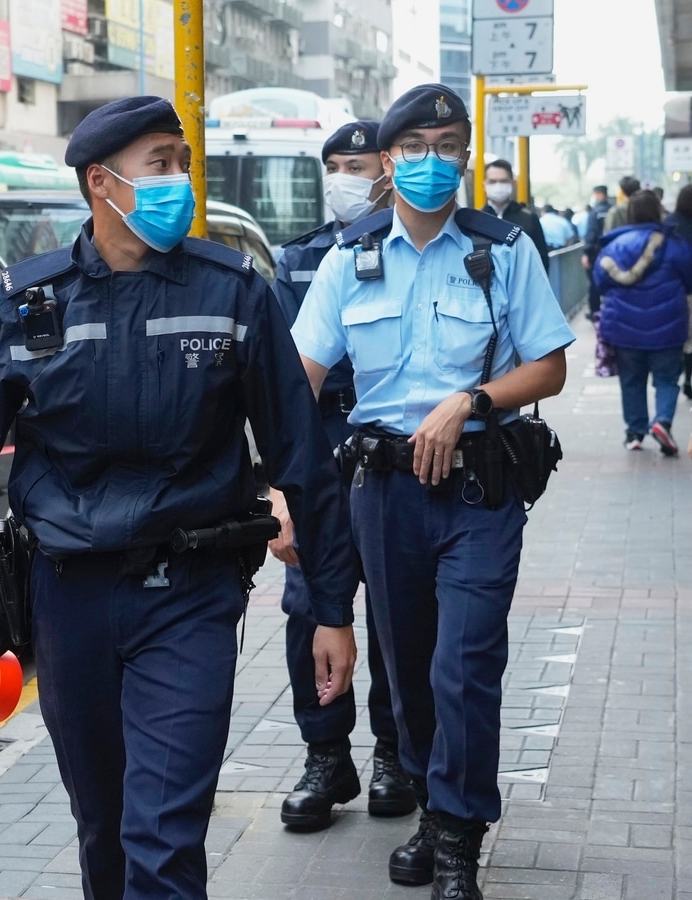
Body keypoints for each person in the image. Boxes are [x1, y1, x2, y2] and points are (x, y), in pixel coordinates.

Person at [0, 96, 361, 899]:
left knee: (164, 839)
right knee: (103, 830)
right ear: (103, 184)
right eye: (161, 165)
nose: (181, 181)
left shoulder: (233, 292)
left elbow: (303, 461)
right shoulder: (29, 305)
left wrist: (333, 609)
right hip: (69, 601)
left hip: (191, 597)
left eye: (183, 163)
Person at [292, 84, 574, 900]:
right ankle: (427, 799)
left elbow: (550, 365)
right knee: (408, 671)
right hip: (381, 494)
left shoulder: (502, 249)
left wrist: (473, 400)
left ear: (463, 155)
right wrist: (280, 489)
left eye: (448, 145)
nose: (432, 161)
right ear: (388, 162)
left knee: (465, 665)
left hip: (479, 490)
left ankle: (457, 835)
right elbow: (295, 384)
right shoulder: (351, 259)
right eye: (414, 148)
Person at [269, 120, 413, 832]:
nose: (345, 179)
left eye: (356, 164)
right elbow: (276, 374)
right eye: (334, 166)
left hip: (391, 449)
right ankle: (326, 753)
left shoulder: (414, 245)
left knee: (393, 612)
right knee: (308, 609)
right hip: (319, 450)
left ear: (386, 169)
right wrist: (274, 485)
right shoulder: (297, 260)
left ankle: (393, 751)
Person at [592, 189, 692, 456]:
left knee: (632, 380)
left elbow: (600, 282)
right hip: (669, 325)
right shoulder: (675, 243)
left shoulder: (614, 246)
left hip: (624, 328)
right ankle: (662, 422)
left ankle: (635, 433)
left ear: (630, 214)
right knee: (667, 378)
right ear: (658, 211)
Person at [481, 159, 550, 272]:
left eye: (503, 181)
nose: (498, 186)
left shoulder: (528, 218)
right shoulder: (476, 219)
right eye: (492, 182)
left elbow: (542, 260)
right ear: (484, 185)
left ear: (513, 183)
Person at [583, 184, 616, 317]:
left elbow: (591, 233)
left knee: (594, 282)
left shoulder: (595, 212)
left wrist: (586, 253)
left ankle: (595, 311)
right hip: (613, 252)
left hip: (596, 253)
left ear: (599, 194)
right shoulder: (613, 210)